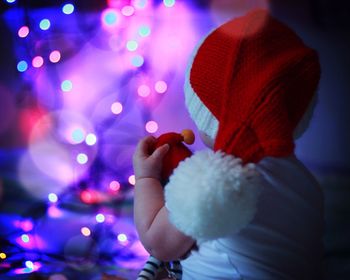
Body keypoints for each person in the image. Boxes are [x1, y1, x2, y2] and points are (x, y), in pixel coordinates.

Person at [133, 8, 324, 279]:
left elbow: (159, 244)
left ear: (209, 115)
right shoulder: (305, 182)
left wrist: (146, 178)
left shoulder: (212, 178)